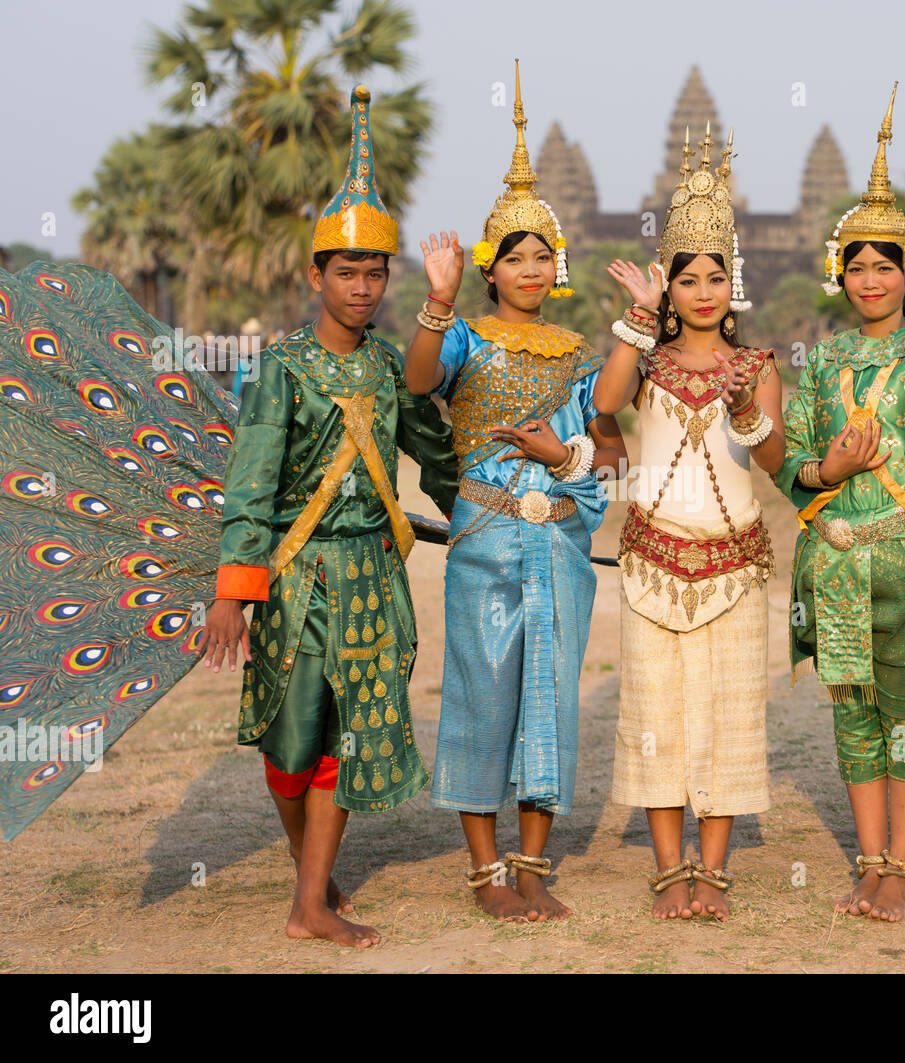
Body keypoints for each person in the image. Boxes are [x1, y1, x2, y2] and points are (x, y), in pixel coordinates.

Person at [199, 86, 458, 948]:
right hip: (295, 579)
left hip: (374, 578)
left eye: (375, 271)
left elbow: (437, 454)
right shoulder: (280, 369)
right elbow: (250, 485)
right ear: (316, 276)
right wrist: (235, 590)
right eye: (345, 271)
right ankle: (312, 872)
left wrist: (497, 515)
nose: (361, 285)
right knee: (290, 737)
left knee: (344, 734)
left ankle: (310, 900)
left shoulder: (392, 367)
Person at [402, 63, 626, 922]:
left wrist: (563, 453)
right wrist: (436, 299)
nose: (531, 269)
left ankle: (534, 863)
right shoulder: (464, 335)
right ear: (491, 270)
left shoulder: (576, 353)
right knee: (480, 689)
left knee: (548, 697)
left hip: (559, 540)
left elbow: (607, 454)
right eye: (515, 258)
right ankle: (486, 871)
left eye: (543, 256)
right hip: (485, 538)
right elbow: (422, 380)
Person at [776, 84, 905, 923]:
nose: (867, 278)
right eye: (855, 265)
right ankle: (868, 858)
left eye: (883, 265)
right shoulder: (821, 361)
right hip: (833, 558)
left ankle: (902, 864)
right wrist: (824, 470)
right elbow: (792, 456)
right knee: (852, 715)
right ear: (840, 271)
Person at [595, 127, 782, 921]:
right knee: (655, 714)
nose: (703, 291)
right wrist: (635, 323)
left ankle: (714, 867)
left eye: (716, 277)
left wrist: (747, 412)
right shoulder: (645, 360)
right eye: (687, 279)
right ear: (667, 287)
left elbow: (773, 458)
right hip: (650, 566)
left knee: (731, 713)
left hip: (735, 566)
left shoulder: (759, 364)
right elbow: (604, 407)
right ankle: (669, 868)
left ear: (730, 284)